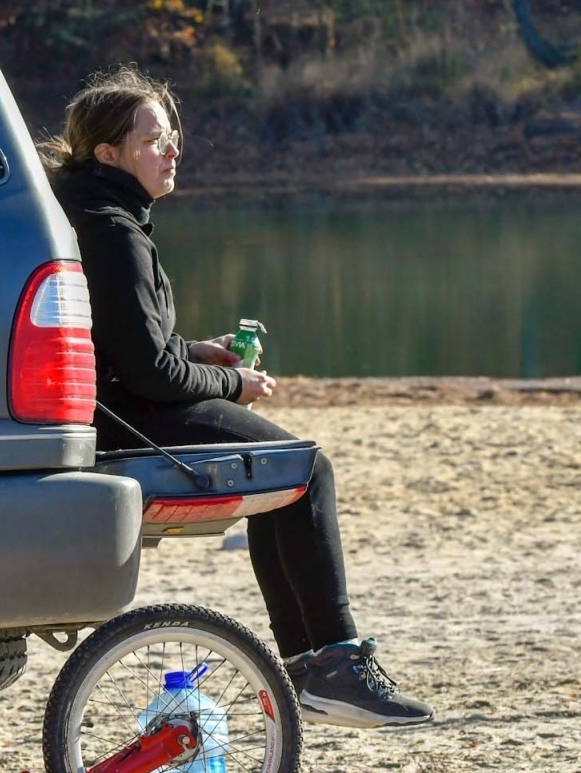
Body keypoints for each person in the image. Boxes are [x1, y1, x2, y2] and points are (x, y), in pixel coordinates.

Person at [40, 66, 432, 729]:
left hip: (118, 405)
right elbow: (152, 379)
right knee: (304, 469)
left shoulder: (96, 212)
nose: (172, 151)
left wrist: (196, 350)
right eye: (153, 140)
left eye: (171, 138)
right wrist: (233, 382)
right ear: (109, 154)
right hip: (131, 421)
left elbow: (128, 345)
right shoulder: (111, 230)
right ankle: (330, 663)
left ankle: (315, 668)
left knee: (282, 475)